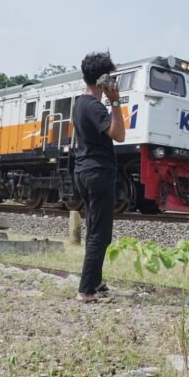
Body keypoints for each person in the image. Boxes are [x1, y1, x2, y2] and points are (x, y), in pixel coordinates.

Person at [71, 51, 125, 303]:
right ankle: (86, 290)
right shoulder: (94, 105)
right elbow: (118, 134)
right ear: (104, 78)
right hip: (97, 172)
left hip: (83, 170)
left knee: (95, 228)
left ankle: (95, 281)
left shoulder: (79, 103)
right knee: (100, 234)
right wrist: (115, 102)